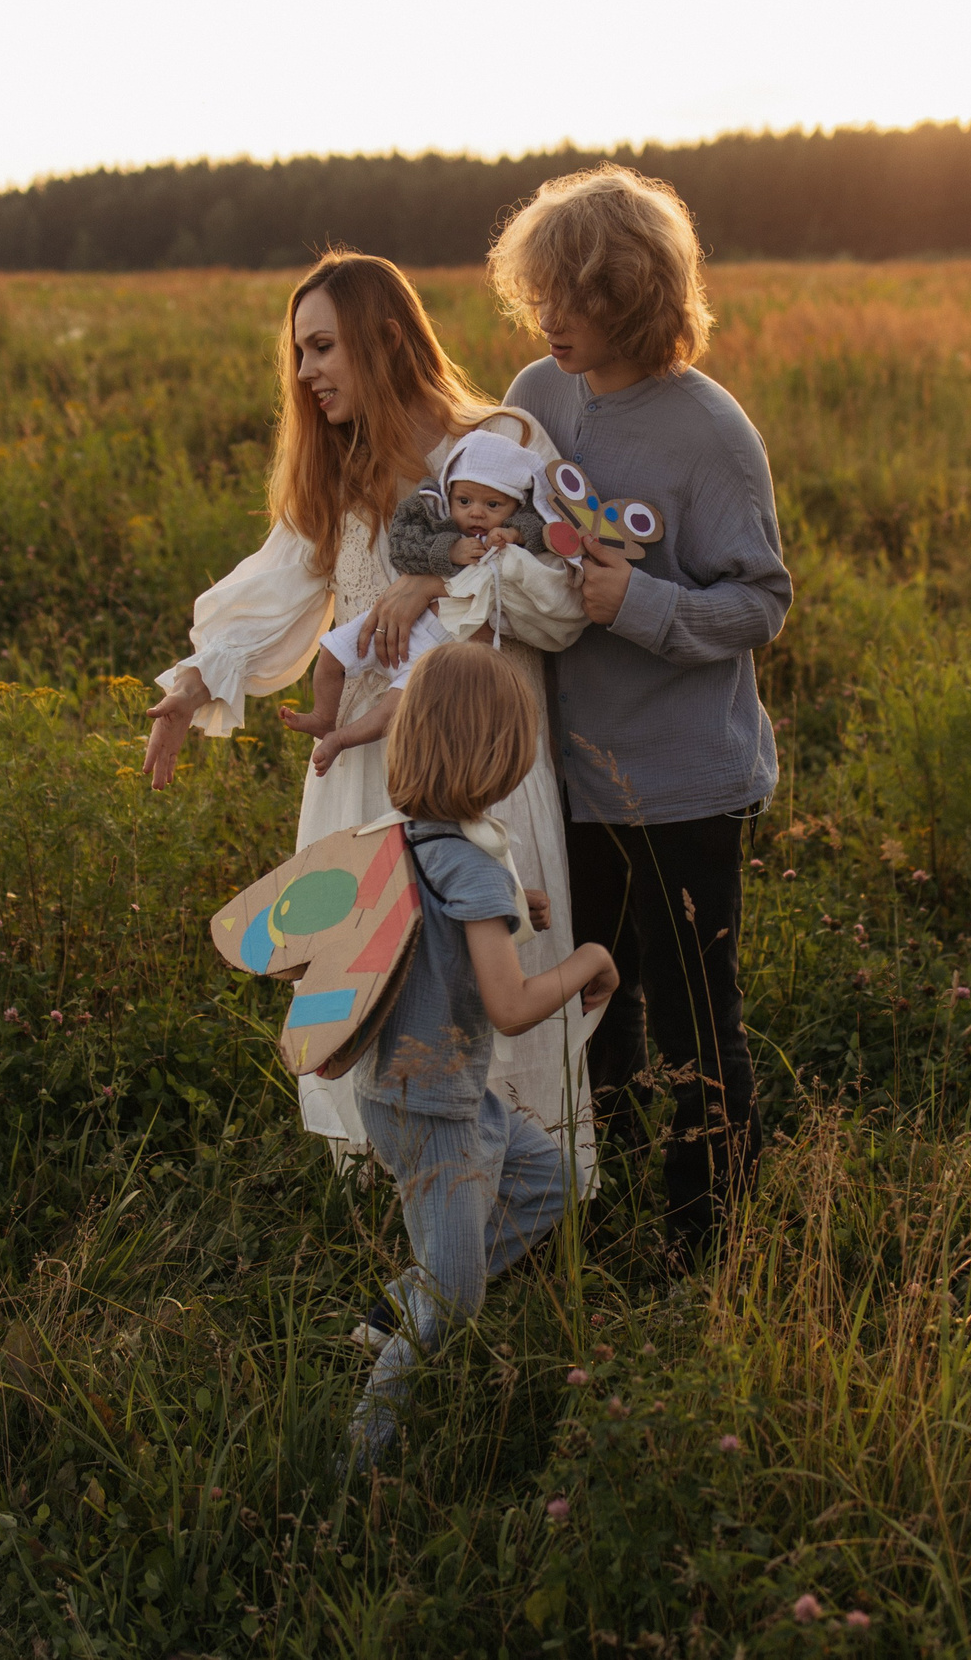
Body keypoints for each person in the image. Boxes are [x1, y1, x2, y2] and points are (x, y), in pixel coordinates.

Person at [143, 252, 593, 1182]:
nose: (305, 373)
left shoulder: (502, 440)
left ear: (386, 337)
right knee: (380, 973)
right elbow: (272, 595)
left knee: (488, 961)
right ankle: (405, 1190)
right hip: (361, 773)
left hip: (481, 762)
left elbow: (562, 597)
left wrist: (440, 573)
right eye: (297, 354)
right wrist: (191, 684)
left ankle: (521, 1197)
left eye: (321, 347)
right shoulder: (340, 468)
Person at [490, 165, 793, 1257]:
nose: (549, 319)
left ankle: (705, 1236)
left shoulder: (709, 432)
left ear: (634, 292)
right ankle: (589, 1203)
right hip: (564, 776)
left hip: (683, 786)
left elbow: (761, 599)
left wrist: (644, 601)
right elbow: (498, 517)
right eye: (539, 295)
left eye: (573, 295)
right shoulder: (536, 392)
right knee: (587, 1002)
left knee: (694, 1014)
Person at [347, 642, 619, 1464]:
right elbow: (509, 1005)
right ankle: (358, 1458)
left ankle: (407, 1290)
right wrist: (588, 960)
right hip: (438, 1114)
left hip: (404, 1089)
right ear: (498, 755)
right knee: (453, 1308)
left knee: (551, 1179)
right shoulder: (475, 871)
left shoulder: (404, 842)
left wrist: (515, 910)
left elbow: (438, 930)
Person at [280, 427, 559, 776]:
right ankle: (324, 714)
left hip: (434, 650)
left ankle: (340, 739)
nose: (476, 514)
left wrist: (515, 534)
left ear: (515, 506)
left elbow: (541, 529)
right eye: (464, 501)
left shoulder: (508, 543)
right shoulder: (439, 522)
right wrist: (450, 550)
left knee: (394, 708)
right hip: (395, 621)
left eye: (493, 505)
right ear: (449, 495)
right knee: (332, 652)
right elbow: (404, 548)